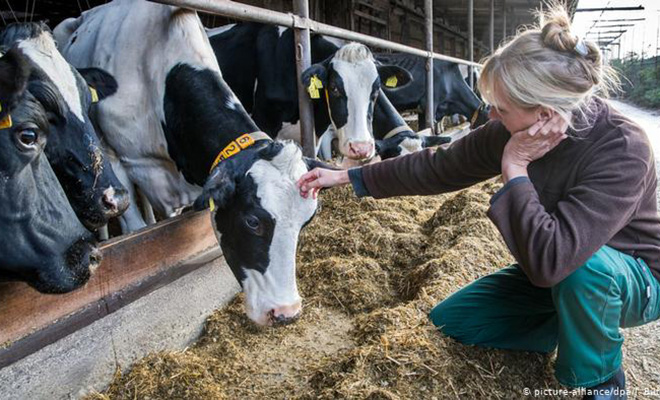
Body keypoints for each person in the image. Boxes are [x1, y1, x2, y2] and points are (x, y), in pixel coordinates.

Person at [296, 5, 660, 400]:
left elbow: (552, 262)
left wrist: (515, 166)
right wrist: (348, 175)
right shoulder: (513, 128)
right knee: (456, 322)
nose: (491, 114)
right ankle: (570, 324)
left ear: (544, 113)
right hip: (560, 272)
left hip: (632, 278)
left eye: (501, 108)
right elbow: (438, 166)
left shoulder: (623, 149)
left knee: (584, 273)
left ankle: (603, 382)